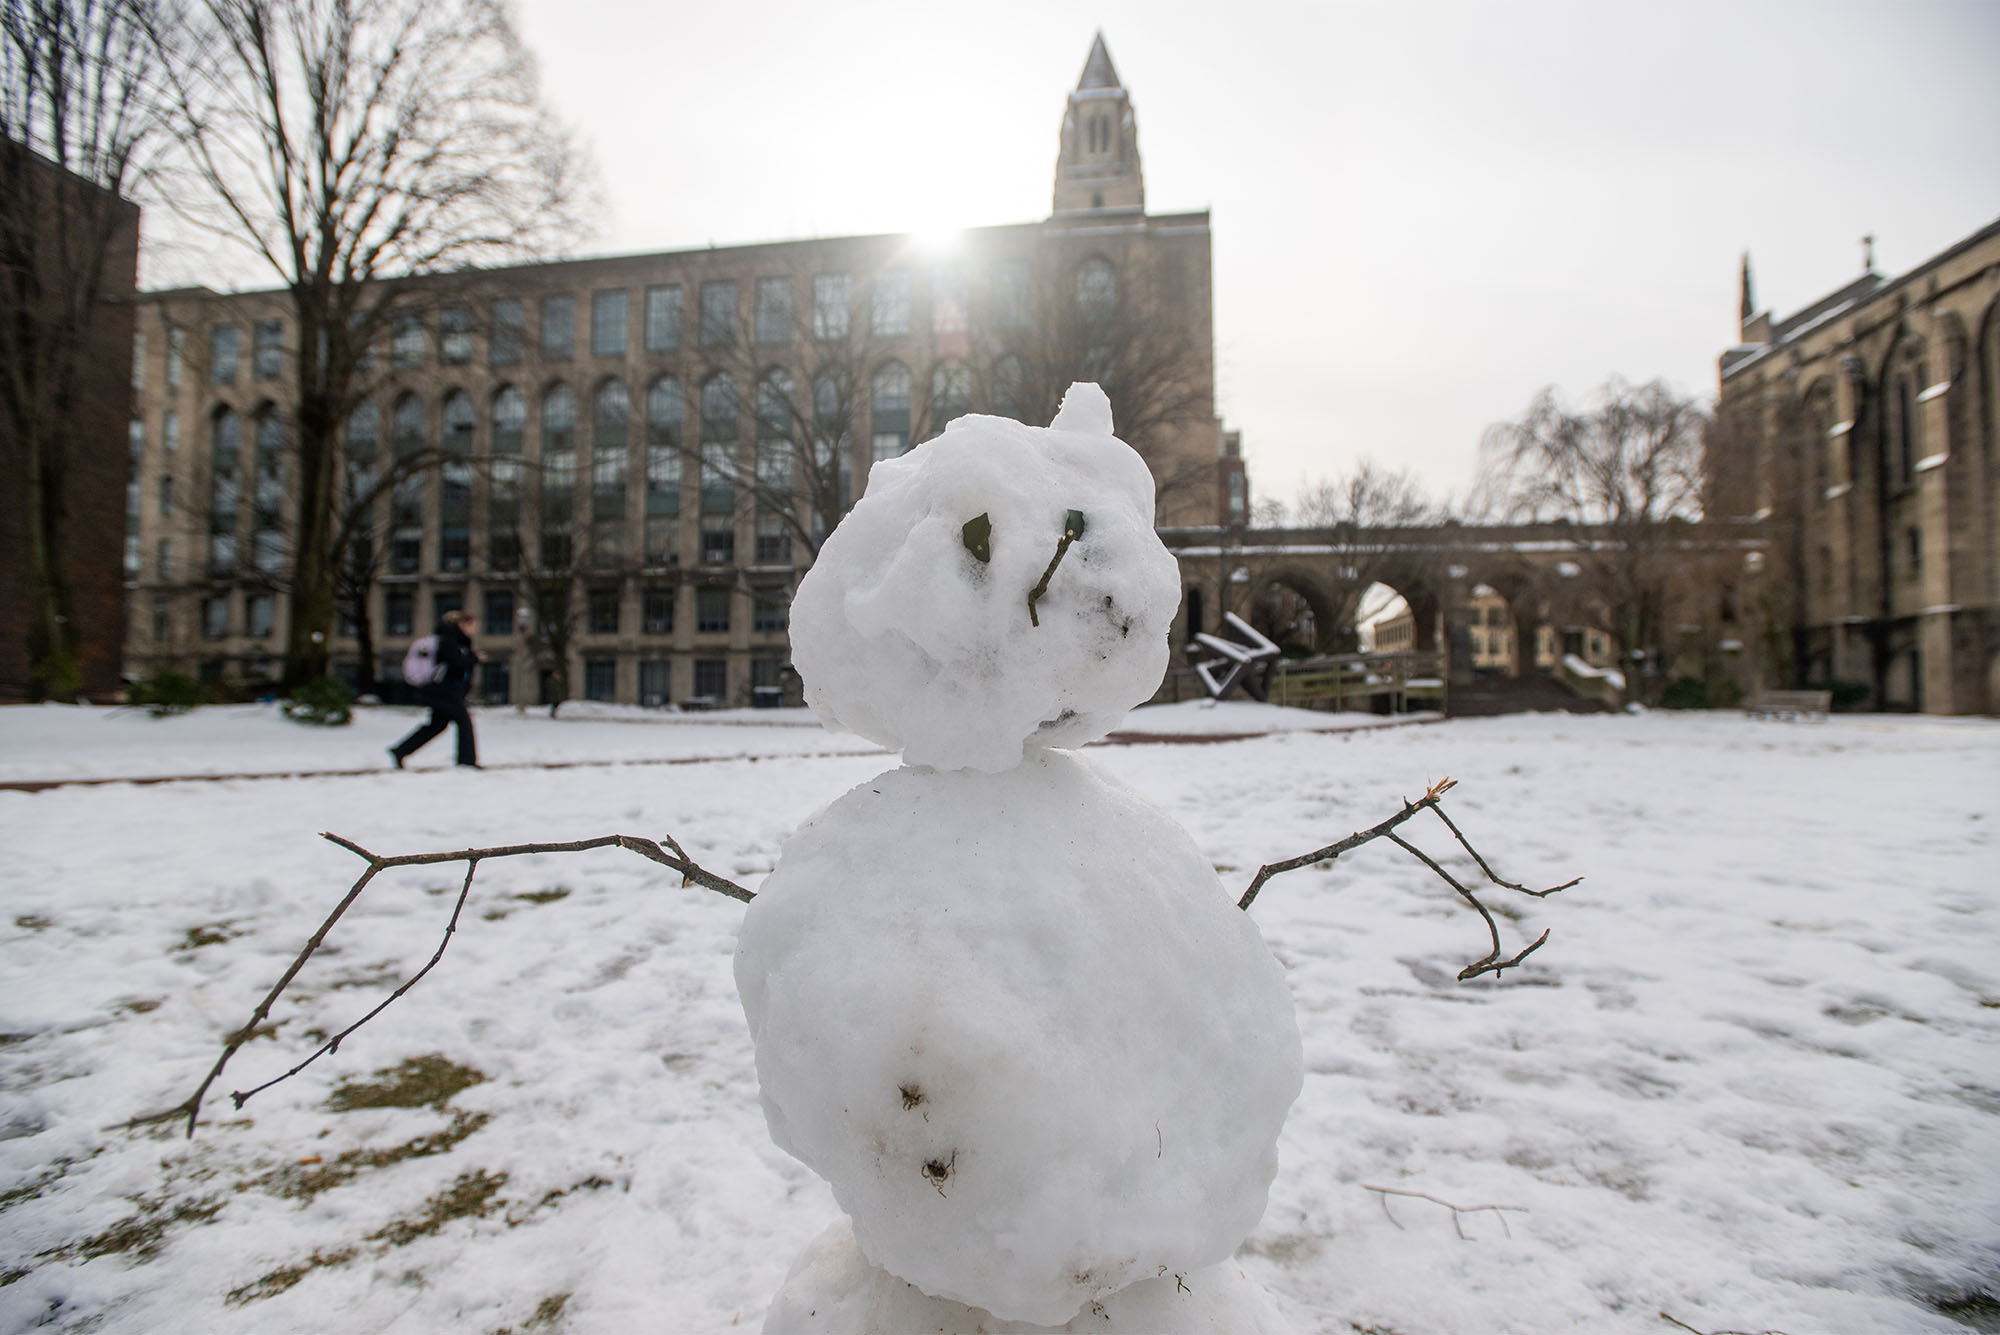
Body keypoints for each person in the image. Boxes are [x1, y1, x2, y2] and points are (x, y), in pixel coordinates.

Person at [389, 610, 484, 769]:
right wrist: (474, 658)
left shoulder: (453, 639)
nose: (475, 629)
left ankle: (400, 751)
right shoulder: (450, 640)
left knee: (437, 725)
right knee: (464, 722)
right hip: (443, 690)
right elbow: (454, 662)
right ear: (462, 625)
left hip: (441, 690)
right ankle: (467, 762)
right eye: (473, 625)